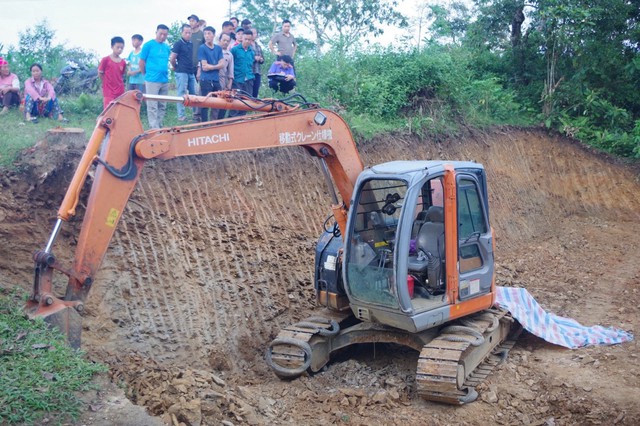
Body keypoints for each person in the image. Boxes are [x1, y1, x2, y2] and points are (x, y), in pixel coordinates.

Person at [139, 24, 171, 128]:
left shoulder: (166, 47)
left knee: (162, 104)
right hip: (152, 80)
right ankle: (154, 127)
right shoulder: (148, 45)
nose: (162, 36)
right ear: (156, 32)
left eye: (165, 34)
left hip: (164, 79)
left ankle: (159, 124)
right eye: (161, 33)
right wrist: (145, 75)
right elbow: (141, 62)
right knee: (152, 105)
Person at [198, 26, 225, 122]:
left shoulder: (218, 48)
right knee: (205, 103)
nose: (207, 36)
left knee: (222, 101)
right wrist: (216, 65)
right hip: (205, 80)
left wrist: (212, 67)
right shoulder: (202, 48)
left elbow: (222, 64)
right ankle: (204, 124)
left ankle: (219, 122)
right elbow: (204, 67)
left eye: (209, 33)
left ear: (213, 35)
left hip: (216, 79)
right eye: (205, 34)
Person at [170, 24, 196, 121]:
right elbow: (172, 58)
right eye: (186, 32)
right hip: (181, 71)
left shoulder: (190, 43)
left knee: (194, 93)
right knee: (181, 93)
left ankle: (195, 114)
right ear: (182, 33)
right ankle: (181, 116)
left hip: (190, 71)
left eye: (190, 33)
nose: (188, 34)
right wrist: (175, 67)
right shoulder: (178, 44)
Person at [230, 29, 255, 117]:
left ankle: (242, 119)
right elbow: (230, 64)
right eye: (245, 39)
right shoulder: (234, 50)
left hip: (248, 79)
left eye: (249, 39)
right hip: (237, 79)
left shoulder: (252, 51)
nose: (247, 41)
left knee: (246, 101)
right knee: (235, 101)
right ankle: (232, 121)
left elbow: (251, 65)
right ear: (242, 38)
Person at [98, 36, 127, 109]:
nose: (119, 49)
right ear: (112, 47)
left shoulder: (123, 62)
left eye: (121, 48)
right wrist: (106, 82)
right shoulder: (106, 60)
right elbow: (100, 73)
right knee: (108, 111)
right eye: (118, 47)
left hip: (120, 90)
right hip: (109, 90)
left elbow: (121, 75)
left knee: (118, 110)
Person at [188, 14, 204, 121]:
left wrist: (200, 66)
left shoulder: (202, 34)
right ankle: (194, 113)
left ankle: (199, 113)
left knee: (200, 89)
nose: (191, 23)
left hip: (199, 66)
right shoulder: (187, 34)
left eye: (193, 21)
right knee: (191, 90)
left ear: (198, 22)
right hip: (188, 66)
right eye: (190, 21)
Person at [217, 32, 234, 119]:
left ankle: (220, 121)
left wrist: (230, 83)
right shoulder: (213, 50)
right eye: (224, 40)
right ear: (219, 40)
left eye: (228, 41)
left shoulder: (229, 55)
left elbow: (230, 70)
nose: (225, 42)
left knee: (223, 101)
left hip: (224, 80)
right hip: (213, 78)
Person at [251, 28, 265, 98]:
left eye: (255, 33)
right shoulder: (248, 45)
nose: (253, 35)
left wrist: (261, 59)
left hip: (258, 71)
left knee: (255, 92)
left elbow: (263, 59)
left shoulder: (258, 46)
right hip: (250, 71)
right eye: (252, 33)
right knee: (248, 91)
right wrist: (254, 58)